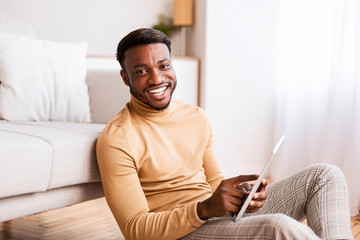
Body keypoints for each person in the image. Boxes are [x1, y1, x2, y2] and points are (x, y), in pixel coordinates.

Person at [96, 28, 353, 240]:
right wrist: (205, 208)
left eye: (164, 66)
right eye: (141, 71)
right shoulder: (117, 138)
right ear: (125, 78)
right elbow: (135, 229)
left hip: (215, 217)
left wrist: (240, 195)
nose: (156, 78)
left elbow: (214, 182)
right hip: (177, 233)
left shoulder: (195, 116)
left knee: (325, 175)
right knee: (278, 228)